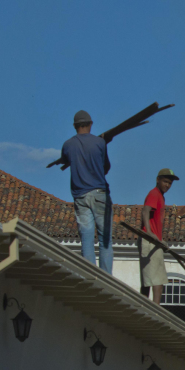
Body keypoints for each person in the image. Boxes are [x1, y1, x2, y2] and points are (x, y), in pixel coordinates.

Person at [59, 110, 113, 272]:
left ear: (75, 126)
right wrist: (102, 144)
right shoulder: (99, 143)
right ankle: (106, 280)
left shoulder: (68, 145)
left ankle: (91, 278)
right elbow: (106, 168)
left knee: (87, 240)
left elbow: (66, 159)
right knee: (105, 241)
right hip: (99, 194)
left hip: (80, 196)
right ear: (90, 124)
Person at [140, 169, 179, 302]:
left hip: (154, 240)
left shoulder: (161, 196)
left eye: (170, 183)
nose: (167, 185)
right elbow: (145, 211)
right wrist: (149, 233)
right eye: (165, 182)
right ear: (158, 180)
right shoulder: (154, 194)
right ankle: (156, 310)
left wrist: (161, 240)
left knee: (148, 279)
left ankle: (145, 307)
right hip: (149, 240)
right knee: (157, 279)